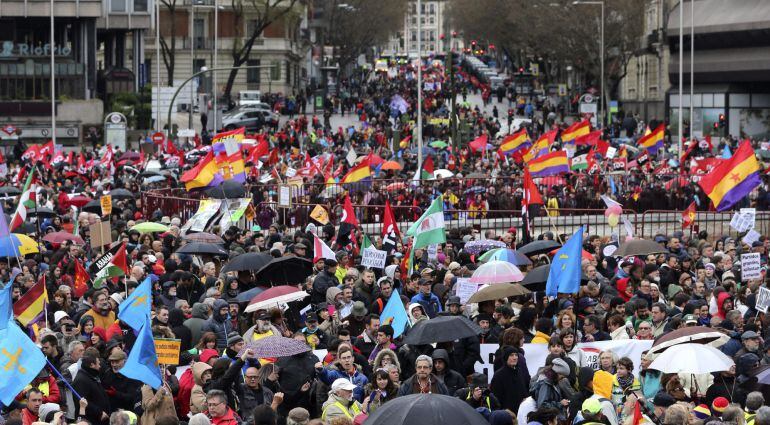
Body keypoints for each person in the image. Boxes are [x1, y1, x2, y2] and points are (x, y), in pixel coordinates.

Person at [491, 346, 531, 412]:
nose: (515, 358)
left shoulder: (519, 371)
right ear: (506, 357)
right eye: (511, 355)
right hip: (506, 414)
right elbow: (496, 399)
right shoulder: (499, 375)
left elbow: (524, 391)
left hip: (520, 412)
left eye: (516, 355)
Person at [72, 355, 110, 424]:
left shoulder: (91, 376)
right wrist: (99, 412)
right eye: (98, 363)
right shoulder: (81, 380)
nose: (100, 366)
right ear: (92, 365)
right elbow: (83, 402)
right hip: (90, 420)